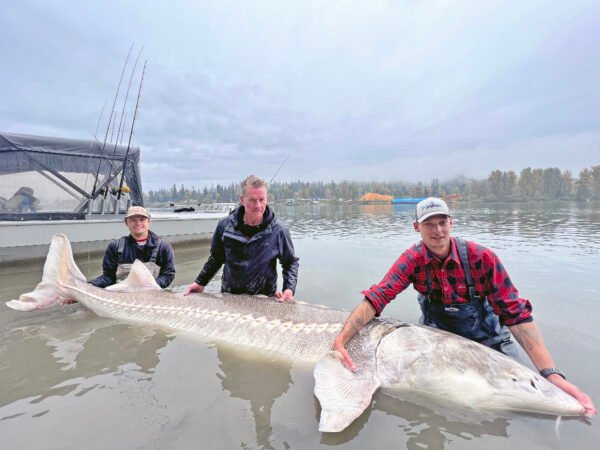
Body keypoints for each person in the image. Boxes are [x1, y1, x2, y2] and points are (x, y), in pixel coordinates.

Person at [332, 197, 595, 414]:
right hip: (438, 335)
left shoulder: (483, 258)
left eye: (442, 222)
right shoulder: (412, 260)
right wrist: (342, 339)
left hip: (490, 338)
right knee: (435, 404)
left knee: (519, 403)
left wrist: (551, 375)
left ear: (451, 222)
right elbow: (378, 297)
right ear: (416, 227)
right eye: (429, 225)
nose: (438, 231)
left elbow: (517, 318)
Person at [184, 175, 299, 302]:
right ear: (242, 200)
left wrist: (289, 289)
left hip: (264, 299)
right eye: (253, 200)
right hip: (229, 296)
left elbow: (290, 263)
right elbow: (216, 259)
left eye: (262, 199)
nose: (258, 205)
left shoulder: (279, 230)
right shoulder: (225, 226)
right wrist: (200, 282)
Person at [89, 206, 176, 289]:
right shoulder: (115, 246)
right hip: (122, 294)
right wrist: (91, 285)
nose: (138, 223)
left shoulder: (163, 247)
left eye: (142, 219)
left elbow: (168, 274)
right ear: (126, 222)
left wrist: (150, 286)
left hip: (151, 292)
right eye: (132, 220)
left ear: (149, 221)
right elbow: (108, 277)